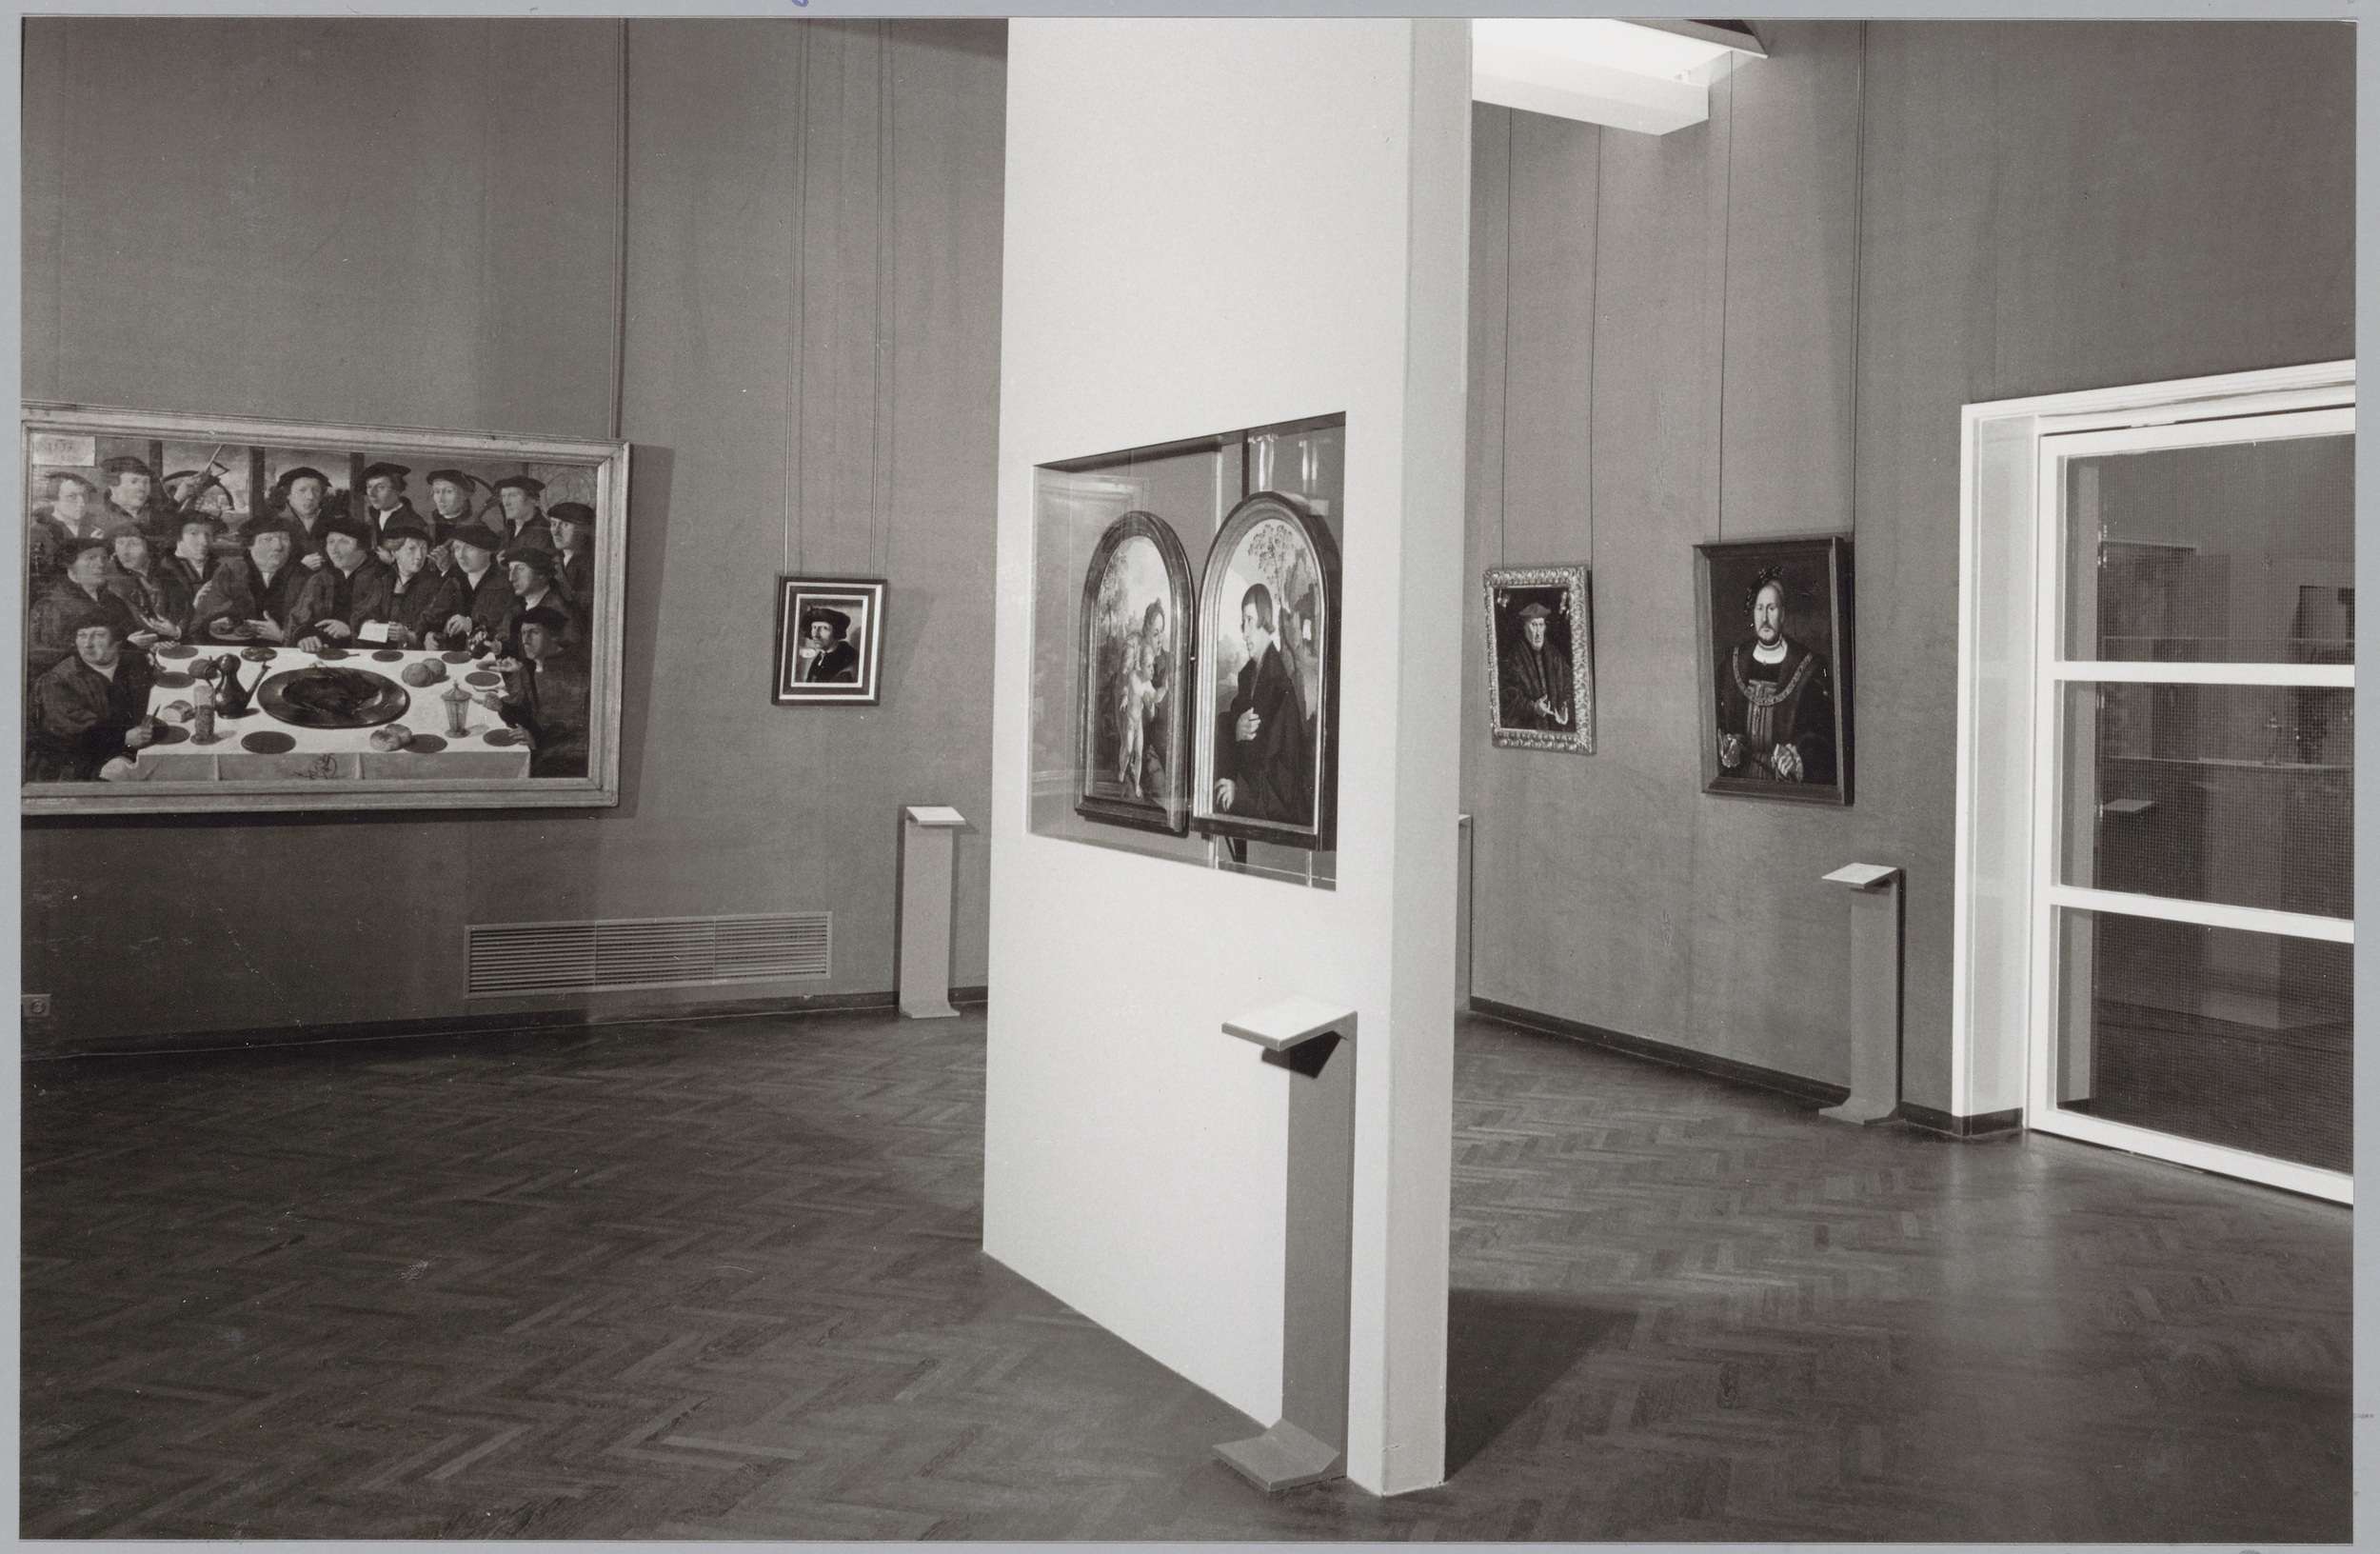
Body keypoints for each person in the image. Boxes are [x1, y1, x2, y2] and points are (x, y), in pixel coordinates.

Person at [1714, 567, 1836, 786]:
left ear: (1783, 615)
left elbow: (1821, 735)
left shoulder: (1808, 666)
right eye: (1759, 608)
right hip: (1740, 781)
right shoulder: (1734, 661)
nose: (1765, 617)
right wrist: (1729, 744)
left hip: (1784, 784)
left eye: (1771, 608)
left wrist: (1797, 757)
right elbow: (1720, 721)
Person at [1212, 582, 1309, 824]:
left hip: (1274, 800)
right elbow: (1228, 724)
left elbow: (1279, 767)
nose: (1244, 632)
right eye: (1242, 622)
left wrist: (1237, 787)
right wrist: (1236, 730)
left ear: (1265, 621)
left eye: (1250, 620)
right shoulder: (1248, 675)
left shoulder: (1280, 683)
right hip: (1250, 786)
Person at [27, 619, 156, 782]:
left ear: (117, 641)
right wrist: (123, 738)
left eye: (98, 635)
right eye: (82, 635)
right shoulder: (58, 681)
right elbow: (76, 736)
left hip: (124, 751)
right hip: (74, 766)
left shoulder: (131, 662)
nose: (87, 644)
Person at [473, 605, 589, 778]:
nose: (525, 640)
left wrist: (536, 742)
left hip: (558, 766)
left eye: (534, 632)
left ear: (554, 636)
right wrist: (502, 707)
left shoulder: (571, 676)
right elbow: (530, 713)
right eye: (523, 633)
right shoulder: (537, 664)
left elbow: (578, 740)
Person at [29, 534, 157, 679]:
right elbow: (48, 659)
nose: (101, 564)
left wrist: (146, 648)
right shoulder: (51, 606)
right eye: (91, 558)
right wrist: (125, 648)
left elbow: (133, 635)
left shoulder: (113, 601)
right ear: (69, 565)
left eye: (104, 558)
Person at [288, 513, 395, 652]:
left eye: (344, 542)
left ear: (363, 547)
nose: (334, 550)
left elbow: (393, 631)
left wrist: (351, 631)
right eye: (330, 542)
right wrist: (304, 636)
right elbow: (297, 619)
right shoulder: (320, 578)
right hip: (321, 654)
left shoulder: (383, 578)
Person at [188, 523, 305, 645]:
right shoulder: (231, 571)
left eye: (284, 539)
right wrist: (215, 621)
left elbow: (310, 630)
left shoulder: (303, 576)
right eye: (267, 539)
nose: (278, 547)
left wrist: (282, 636)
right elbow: (203, 618)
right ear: (250, 545)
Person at [367, 520, 466, 648]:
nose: (419, 556)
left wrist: (408, 636)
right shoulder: (382, 582)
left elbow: (436, 630)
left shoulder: (437, 585)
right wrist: (371, 627)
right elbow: (363, 616)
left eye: (423, 548)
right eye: (411, 549)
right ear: (395, 553)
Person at [100, 520, 186, 645]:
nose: (125, 552)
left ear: (149, 547)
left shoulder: (168, 574)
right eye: (120, 543)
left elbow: (184, 612)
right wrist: (127, 643)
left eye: (133, 544)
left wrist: (176, 632)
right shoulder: (110, 581)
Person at [1498, 600, 1574, 731]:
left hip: (1556, 729)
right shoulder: (1514, 659)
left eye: (1541, 625)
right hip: (1529, 730)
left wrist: (1565, 706)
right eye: (1534, 625)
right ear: (1524, 628)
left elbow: (1570, 684)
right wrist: (1533, 707)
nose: (1538, 633)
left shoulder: (1555, 655)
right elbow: (1507, 698)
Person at [439, 520, 515, 648]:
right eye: (457, 548)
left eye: (469, 548)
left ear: (487, 551)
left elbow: (506, 631)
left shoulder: (505, 585)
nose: (461, 556)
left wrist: (471, 626)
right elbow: (432, 616)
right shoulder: (454, 581)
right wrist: (429, 634)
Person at [497, 546, 581, 659]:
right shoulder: (517, 607)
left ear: (541, 574)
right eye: (511, 569)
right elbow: (505, 638)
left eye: (520, 569)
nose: (511, 578)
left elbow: (569, 656)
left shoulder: (560, 611)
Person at [149, 510, 223, 638]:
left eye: (208, 534)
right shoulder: (161, 571)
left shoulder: (218, 566)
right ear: (178, 536)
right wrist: (195, 606)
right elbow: (160, 623)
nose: (204, 542)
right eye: (194, 534)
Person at [28, 472, 100, 584]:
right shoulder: (37, 533)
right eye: (72, 497)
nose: (82, 503)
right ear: (53, 500)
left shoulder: (95, 529)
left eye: (84, 496)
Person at [266, 466, 337, 569]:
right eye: (302, 490)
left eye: (316, 490)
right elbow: (266, 565)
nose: (310, 496)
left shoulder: (333, 522)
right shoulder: (273, 524)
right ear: (288, 495)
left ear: (321, 495)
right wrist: (299, 566)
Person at [97, 455, 172, 543]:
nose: (142, 488)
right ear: (113, 485)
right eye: (134, 482)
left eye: (145, 482)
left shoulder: (156, 512)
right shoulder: (97, 518)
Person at [358, 462, 424, 558]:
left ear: (397, 490)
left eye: (380, 487)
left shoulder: (414, 522)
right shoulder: (372, 519)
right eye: (369, 487)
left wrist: (392, 562)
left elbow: (419, 560)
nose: (371, 493)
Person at [546, 500, 596, 608]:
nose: (555, 532)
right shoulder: (553, 559)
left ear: (584, 529)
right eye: (553, 524)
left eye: (565, 525)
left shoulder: (591, 564)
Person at [491, 475, 554, 553]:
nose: (506, 503)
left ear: (534, 500)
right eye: (503, 496)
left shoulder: (544, 532)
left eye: (513, 495)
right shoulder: (510, 529)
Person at [798, 607, 857, 683]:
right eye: (814, 627)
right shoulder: (822, 655)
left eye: (824, 628)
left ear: (836, 632)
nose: (816, 635)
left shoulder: (847, 660)